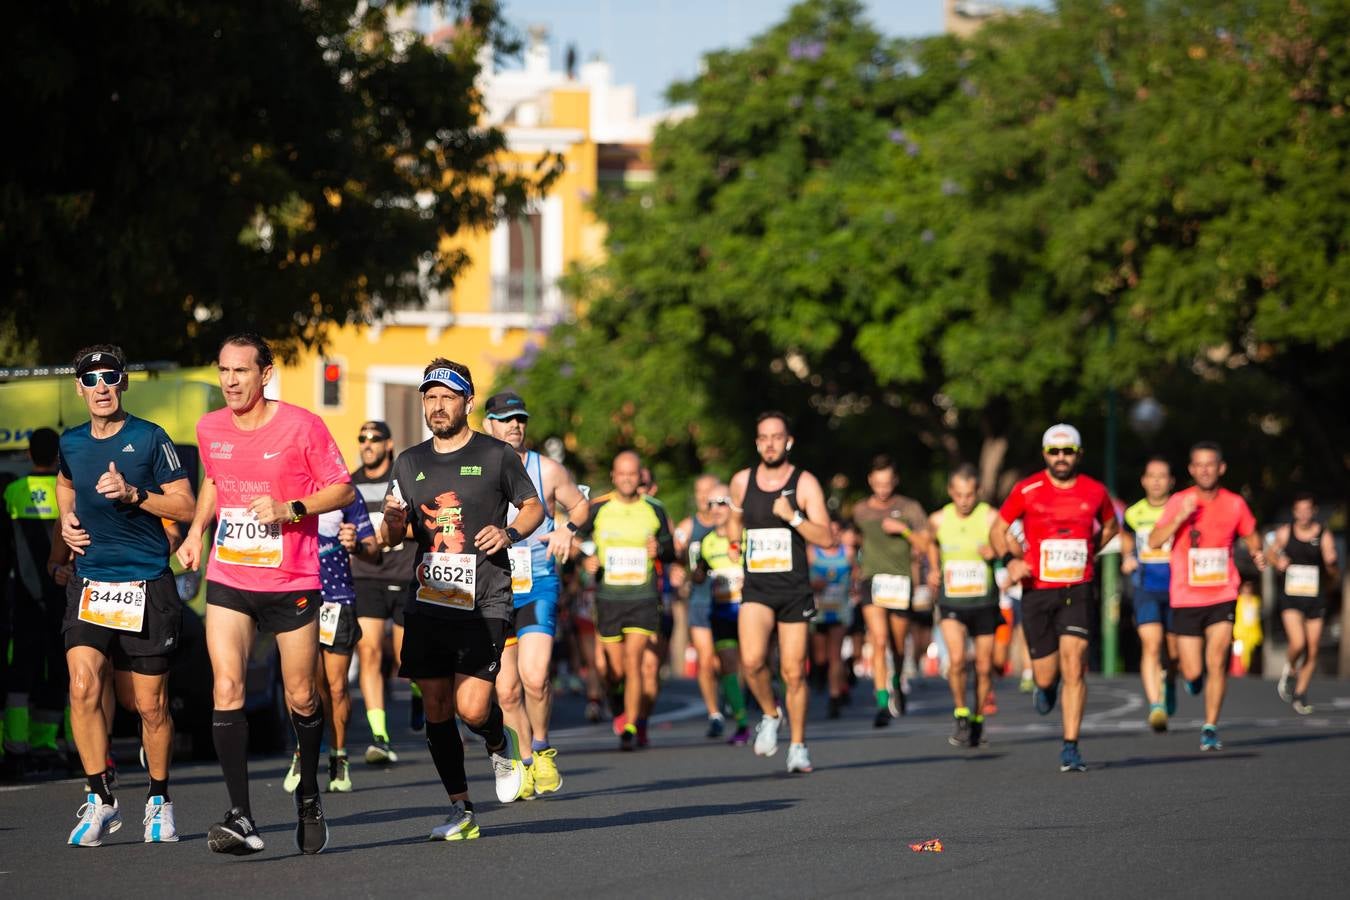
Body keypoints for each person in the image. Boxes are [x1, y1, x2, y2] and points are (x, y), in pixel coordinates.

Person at [178, 332, 357, 855]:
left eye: (241, 371)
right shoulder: (210, 427)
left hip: (291, 581)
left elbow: (342, 488)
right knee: (226, 688)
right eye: (224, 371)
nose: (230, 381)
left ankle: (308, 794)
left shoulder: (303, 424)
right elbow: (214, 479)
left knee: (301, 693)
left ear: (265, 374)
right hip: (230, 575)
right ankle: (242, 815)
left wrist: (291, 509)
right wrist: (195, 533)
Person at [378, 359, 543, 841]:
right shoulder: (408, 462)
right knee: (435, 706)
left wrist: (509, 532)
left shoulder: (496, 456)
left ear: (467, 402)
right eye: (429, 398)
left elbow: (533, 506)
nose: (437, 406)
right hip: (429, 599)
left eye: (447, 397)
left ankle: (497, 740)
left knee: (472, 708)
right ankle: (462, 809)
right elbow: (393, 536)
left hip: (485, 599)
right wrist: (389, 521)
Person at [55, 347, 196, 845]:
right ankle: (99, 797)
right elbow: (65, 483)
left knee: (149, 705)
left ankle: (158, 798)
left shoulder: (150, 437)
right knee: (82, 684)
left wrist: (136, 495)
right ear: (79, 387)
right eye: (90, 378)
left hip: (146, 584)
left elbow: (185, 504)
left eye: (109, 376)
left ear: (123, 382)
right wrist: (66, 524)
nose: (100, 386)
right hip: (91, 582)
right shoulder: (71, 442)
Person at [990, 424, 1117, 773]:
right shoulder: (1027, 489)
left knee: (1075, 664)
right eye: (1054, 452)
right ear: (1045, 454)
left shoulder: (1094, 491)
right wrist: (1011, 561)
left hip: (1077, 588)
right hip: (1037, 591)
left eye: (1068, 451)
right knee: (1046, 675)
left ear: (1078, 454)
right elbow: (997, 529)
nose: (1061, 458)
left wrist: (1091, 551)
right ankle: (1045, 688)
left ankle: (1071, 745)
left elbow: (1110, 526)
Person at [483, 391, 589, 796]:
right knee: (506, 690)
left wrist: (567, 529)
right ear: (489, 423)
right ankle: (525, 760)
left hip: (538, 584)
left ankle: (543, 749)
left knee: (535, 676)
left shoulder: (546, 469)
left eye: (520, 419)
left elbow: (580, 507)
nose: (515, 426)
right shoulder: (478, 468)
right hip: (493, 588)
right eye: (506, 419)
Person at [727, 412, 834, 774]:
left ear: (788, 441)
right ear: (757, 442)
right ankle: (771, 714)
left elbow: (827, 537)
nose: (770, 443)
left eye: (777, 437)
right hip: (757, 586)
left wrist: (794, 517)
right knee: (753, 661)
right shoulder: (742, 480)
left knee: (792, 671)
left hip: (793, 589)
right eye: (763, 437)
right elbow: (733, 518)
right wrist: (731, 540)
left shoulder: (804, 483)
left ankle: (799, 746)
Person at [1148, 442, 1266, 750]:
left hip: (1223, 593)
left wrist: (1256, 552)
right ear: (1191, 469)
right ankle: (1187, 679)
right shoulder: (1179, 501)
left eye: (1210, 464)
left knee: (1217, 661)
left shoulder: (1235, 503)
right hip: (1186, 597)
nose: (1204, 470)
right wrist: (1179, 519)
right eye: (1198, 465)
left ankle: (1210, 726)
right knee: (1194, 670)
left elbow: (1250, 532)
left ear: (1220, 468)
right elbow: (1155, 540)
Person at [577, 451, 675, 751]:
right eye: (622, 474)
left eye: (633, 474)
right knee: (612, 670)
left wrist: (659, 548)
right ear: (613, 476)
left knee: (635, 662)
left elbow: (673, 551)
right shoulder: (599, 508)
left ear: (640, 476)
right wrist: (587, 560)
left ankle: (631, 724)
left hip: (642, 596)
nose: (628, 479)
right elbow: (576, 540)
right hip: (609, 598)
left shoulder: (654, 509)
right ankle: (618, 704)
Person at [283, 496, 379, 794]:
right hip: (296, 596)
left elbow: (374, 552)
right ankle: (303, 753)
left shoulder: (344, 493)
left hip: (337, 600)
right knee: (304, 686)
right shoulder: (288, 484)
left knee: (336, 687)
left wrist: (357, 546)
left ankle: (339, 756)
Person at [348, 420, 418, 761]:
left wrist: (388, 532)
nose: (367, 444)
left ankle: (420, 693)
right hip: (366, 575)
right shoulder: (350, 483)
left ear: (388, 445)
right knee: (370, 653)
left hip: (405, 573)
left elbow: (421, 525)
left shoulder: (403, 478)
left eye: (374, 439)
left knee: (408, 658)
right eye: (362, 439)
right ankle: (380, 734)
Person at [2, 427, 67, 776]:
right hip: (62, 595)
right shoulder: (64, 492)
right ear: (59, 456)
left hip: (24, 598)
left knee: (20, 673)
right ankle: (50, 745)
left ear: (28, 454)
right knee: (60, 669)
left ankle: (16, 746)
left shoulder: (12, 493)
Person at [851, 456, 930, 728]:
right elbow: (855, 541)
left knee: (897, 644)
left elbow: (926, 543)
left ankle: (897, 682)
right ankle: (882, 703)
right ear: (871, 481)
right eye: (878, 483)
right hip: (871, 580)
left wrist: (904, 531)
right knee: (879, 640)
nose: (883, 489)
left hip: (899, 581)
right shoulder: (860, 510)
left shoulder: (910, 507)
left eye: (888, 483)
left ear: (895, 481)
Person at [926, 464, 1000, 748]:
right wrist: (933, 568)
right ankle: (961, 713)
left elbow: (1005, 545)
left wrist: (994, 552)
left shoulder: (990, 516)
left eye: (970, 495)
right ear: (950, 492)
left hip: (984, 601)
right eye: (959, 495)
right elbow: (930, 543)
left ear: (978, 492)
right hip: (951, 600)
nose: (965, 501)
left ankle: (979, 718)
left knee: (983, 666)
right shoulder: (938, 519)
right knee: (956, 660)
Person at [1120, 456, 1179, 731]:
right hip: (1146, 587)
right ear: (1143, 480)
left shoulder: (1180, 509)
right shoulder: (1134, 513)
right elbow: (1126, 539)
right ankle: (1156, 705)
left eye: (1162, 475)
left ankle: (1170, 682)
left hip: (1178, 588)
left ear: (1171, 481)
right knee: (1151, 645)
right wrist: (1128, 556)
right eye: (1151, 475)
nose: (1156, 480)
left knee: (1174, 653)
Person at [690, 488, 750, 744]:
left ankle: (774, 706)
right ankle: (742, 722)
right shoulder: (706, 542)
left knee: (755, 663)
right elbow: (699, 573)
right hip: (722, 611)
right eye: (711, 503)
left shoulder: (747, 537)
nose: (715, 509)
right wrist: (694, 575)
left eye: (722, 503)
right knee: (727, 664)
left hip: (749, 611)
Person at [1270, 494, 1340, 714]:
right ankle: (1290, 669)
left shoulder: (1323, 534)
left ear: (1314, 511)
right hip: (1291, 597)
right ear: (1294, 512)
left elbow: (1332, 563)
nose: (1303, 514)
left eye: (1307, 509)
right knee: (1298, 642)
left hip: (1315, 597)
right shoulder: (1285, 532)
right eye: (1299, 510)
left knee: (1312, 649)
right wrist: (1277, 561)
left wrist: (1331, 565)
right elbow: (1269, 552)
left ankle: (1300, 694)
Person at [673, 475, 724, 737]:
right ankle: (714, 713)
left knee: (728, 661)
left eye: (710, 492)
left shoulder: (731, 523)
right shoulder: (688, 525)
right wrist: (677, 568)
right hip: (700, 600)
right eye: (700, 492)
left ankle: (733, 696)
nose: (705, 497)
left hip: (729, 600)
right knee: (705, 660)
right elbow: (675, 554)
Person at [808, 520, 853, 719]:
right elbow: (803, 578)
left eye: (837, 531)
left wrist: (852, 585)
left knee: (835, 655)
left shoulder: (848, 553)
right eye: (829, 530)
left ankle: (834, 698)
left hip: (840, 610)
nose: (833, 535)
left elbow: (857, 575)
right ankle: (824, 678)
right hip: (818, 612)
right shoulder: (812, 552)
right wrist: (813, 584)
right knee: (820, 658)